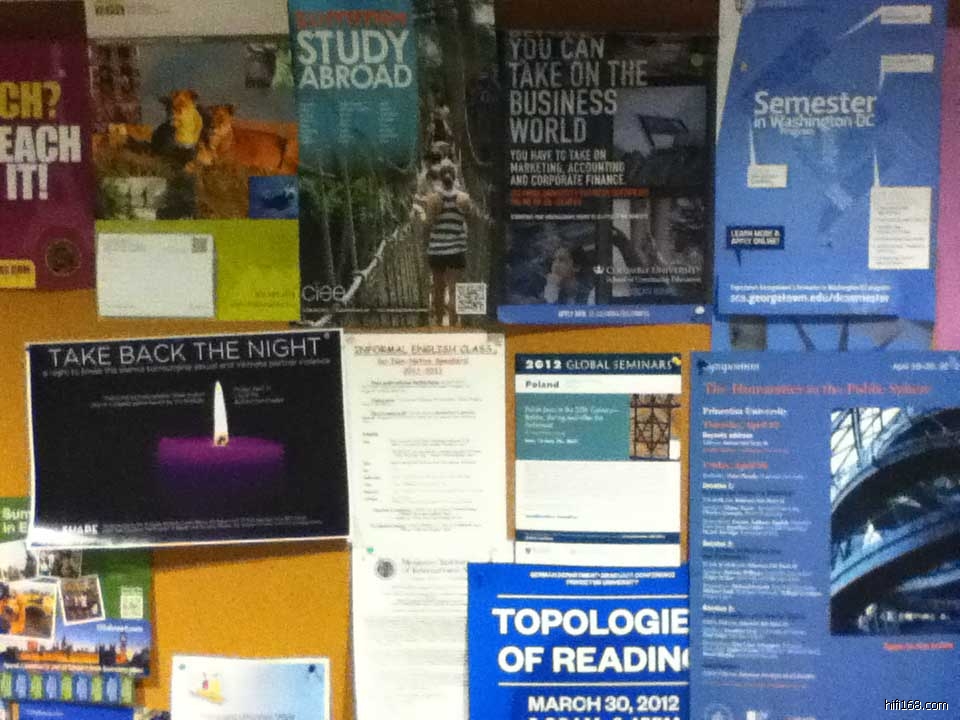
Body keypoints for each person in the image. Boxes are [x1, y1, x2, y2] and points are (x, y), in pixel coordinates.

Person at [424, 159, 485, 325]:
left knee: (438, 290)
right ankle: (453, 324)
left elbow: (428, 225)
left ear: (440, 177)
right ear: (454, 176)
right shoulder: (464, 199)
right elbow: (473, 221)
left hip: (436, 251)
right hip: (456, 251)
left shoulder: (433, 199)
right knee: (454, 290)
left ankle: (438, 323)